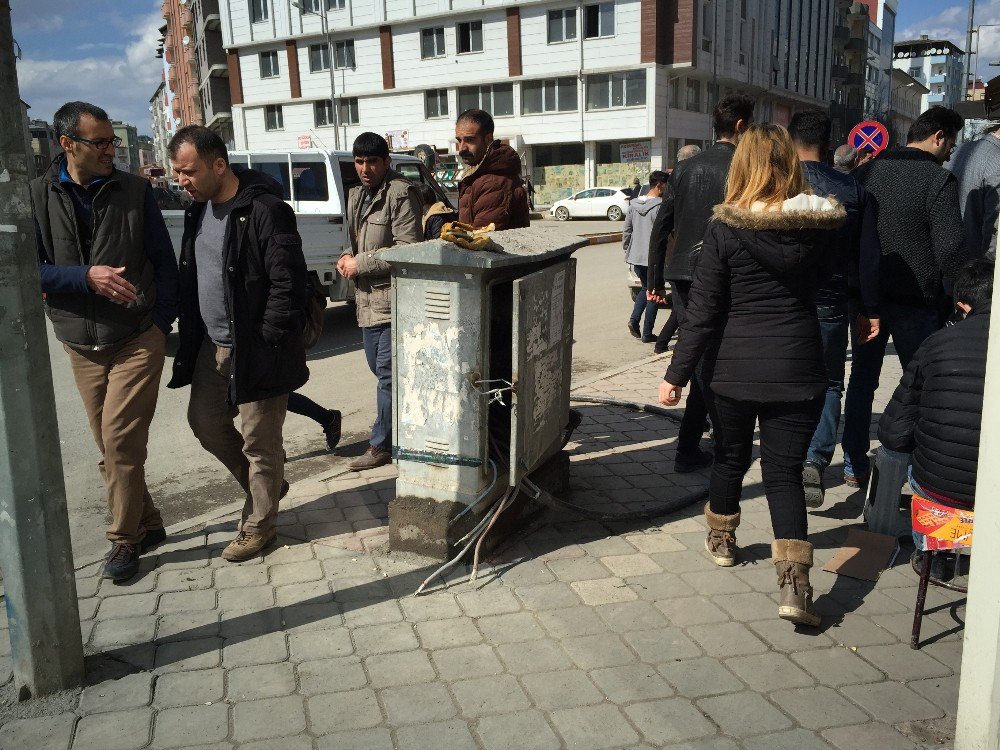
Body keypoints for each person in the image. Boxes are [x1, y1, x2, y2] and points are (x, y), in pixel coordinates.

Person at [660, 124, 846, 627]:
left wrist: (676, 373)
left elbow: (703, 311)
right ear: (792, 166)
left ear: (742, 167)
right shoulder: (821, 227)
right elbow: (831, 285)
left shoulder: (725, 229)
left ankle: (722, 537)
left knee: (731, 457)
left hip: (732, 368)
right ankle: (795, 586)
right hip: (800, 366)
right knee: (785, 473)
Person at [30, 101, 179, 582]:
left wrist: (159, 322)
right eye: (101, 142)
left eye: (113, 141)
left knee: (117, 441)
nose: (110, 150)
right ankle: (149, 521)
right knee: (112, 445)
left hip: (136, 336)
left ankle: (123, 540)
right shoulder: (36, 197)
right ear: (67, 143)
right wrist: (83, 277)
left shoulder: (135, 191)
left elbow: (165, 263)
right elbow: (28, 270)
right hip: (80, 343)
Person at [167, 125, 309, 562]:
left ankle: (259, 526)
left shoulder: (265, 210)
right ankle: (266, 486)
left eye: (188, 171)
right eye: (177, 173)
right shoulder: (198, 212)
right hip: (213, 347)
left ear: (219, 164)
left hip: (257, 349)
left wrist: (266, 339)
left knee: (260, 445)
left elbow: (289, 284)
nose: (182, 181)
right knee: (205, 422)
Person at [841, 106, 969, 488]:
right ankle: (911, 465)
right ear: (939, 136)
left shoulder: (866, 172)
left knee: (862, 379)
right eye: (951, 142)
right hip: (918, 299)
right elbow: (949, 249)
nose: (951, 151)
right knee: (921, 384)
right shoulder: (938, 180)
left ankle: (852, 462)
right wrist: (961, 291)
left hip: (868, 299)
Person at [647, 93, 756, 473]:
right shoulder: (746, 167)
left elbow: (662, 227)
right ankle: (719, 443)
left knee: (698, 357)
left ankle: (691, 446)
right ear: (741, 126)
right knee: (714, 361)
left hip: (681, 275)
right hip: (726, 273)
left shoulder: (686, 169)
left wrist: (655, 278)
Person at [787, 109, 881, 507]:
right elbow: (867, 258)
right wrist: (868, 307)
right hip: (830, 302)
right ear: (828, 145)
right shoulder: (854, 188)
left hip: (781, 301)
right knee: (829, 382)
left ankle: (786, 456)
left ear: (789, 142)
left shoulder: (774, 185)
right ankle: (815, 457)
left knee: (784, 379)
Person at [339, 132, 422, 470]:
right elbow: (354, 240)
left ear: (386, 161)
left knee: (386, 374)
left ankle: (382, 445)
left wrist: (363, 262)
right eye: (359, 162)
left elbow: (410, 249)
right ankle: (406, 428)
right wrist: (347, 256)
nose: (365, 168)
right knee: (380, 368)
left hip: (393, 300)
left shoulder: (401, 193)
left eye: (372, 161)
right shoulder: (356, 194)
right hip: (365, 301)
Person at [878, 257, 990, 508]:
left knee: (888, 456)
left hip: (941, 488)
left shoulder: (936, 343)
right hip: (992, 494)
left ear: (962, 307)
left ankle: (884, 531)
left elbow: (893, 432)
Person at [652, 144, 701, 354]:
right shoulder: (693, 183)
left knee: (684, 315)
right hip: (700, 261)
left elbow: (660, 231)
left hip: (677, 262)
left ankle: (667, 346)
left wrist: (655, 282)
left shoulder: (676, 183)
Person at [454, 109, 530, 229]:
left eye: (469, 140)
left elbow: (481, 241)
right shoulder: (479, 175)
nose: (461, 148)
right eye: (459, 140)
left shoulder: (493, 183)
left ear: (488, 138)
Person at [624, 170, 669, 343]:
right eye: (666, 186)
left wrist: (628, 249)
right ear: (659, 185)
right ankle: (647, 333)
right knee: (654, 292)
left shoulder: (633, 204)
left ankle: (634, 320)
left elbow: (627, 231)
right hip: (654, 258)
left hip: (636, 256)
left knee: (645, 288)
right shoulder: (661, 206)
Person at [946, 122, 1000, 257]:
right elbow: (994, 229)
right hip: (976, 268)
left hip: (947, 259)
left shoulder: (957, 151)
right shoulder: (997, 160)